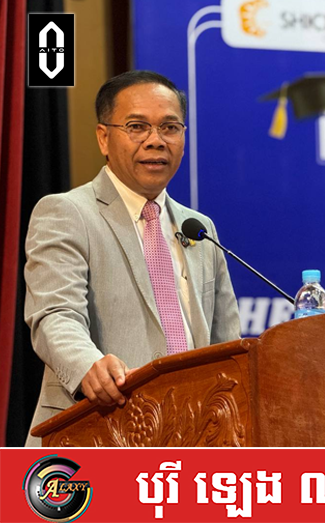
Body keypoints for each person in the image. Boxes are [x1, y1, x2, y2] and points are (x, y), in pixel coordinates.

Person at [22, 71, 241, 446]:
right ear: (103, 138)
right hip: (96, 429)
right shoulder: (66, 212)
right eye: (137, 127)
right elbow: (54, 315)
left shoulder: (198, 228)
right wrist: (87, 365)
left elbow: (226, 342)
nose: (156, 141)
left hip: (193, 437)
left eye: (170, 127)